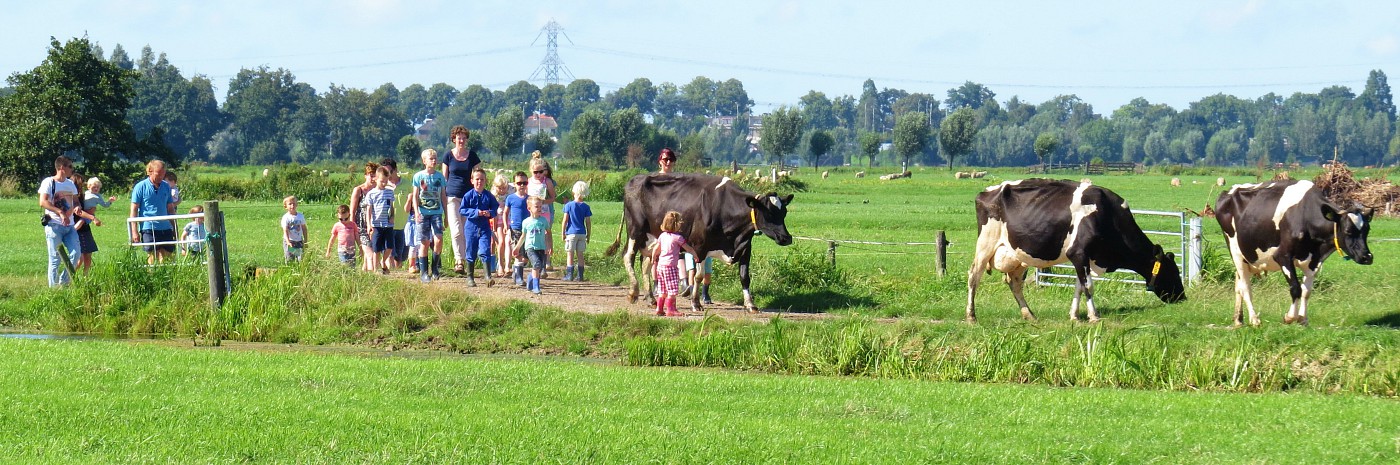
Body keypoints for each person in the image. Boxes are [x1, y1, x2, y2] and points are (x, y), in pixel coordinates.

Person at [40, 156, 90, 286]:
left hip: (70, 227)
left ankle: (63, 283)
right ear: (62, 167)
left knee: (76, 254)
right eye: (70, 166)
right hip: (54, 225)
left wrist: (78, 206)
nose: (72, 170)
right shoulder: (49, 182)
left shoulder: (70, 184)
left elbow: (76, 200)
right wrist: (60, 212)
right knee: (55, 258)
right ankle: (53, 290)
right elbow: (43, 202)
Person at [440, 125, 481, 275]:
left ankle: (467, 261)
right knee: (456, 230)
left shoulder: (473, 156)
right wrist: (442, 197)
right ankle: (459, 260)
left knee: (466, 230)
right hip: (452, 197)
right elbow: (444, 179)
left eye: (464, 138)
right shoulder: (448, 156)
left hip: (469, 198)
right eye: (459, 138)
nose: (461, 140)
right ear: (454, 139)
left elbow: (479, 177)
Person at [651, 211, 699, 317]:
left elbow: (655, 249)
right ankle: (671, 310)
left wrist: (654, 258)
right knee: (672, 289)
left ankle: (659, 308)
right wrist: (695, 255)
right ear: (676, 225)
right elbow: (688, 248)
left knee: (662, 289)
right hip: (670, 267)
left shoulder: (662, 236)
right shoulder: (678, 238)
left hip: (660, 266)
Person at [130, 159, 177, 265]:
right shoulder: (140, 187)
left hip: (165, 226)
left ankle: (167, 278)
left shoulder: (166, 186)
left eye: (163, 174)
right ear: (150, 171)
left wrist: (174, 227)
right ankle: (152, 278)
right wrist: (134, 231)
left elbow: (170, 208)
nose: (161, 176)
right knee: (152, 255)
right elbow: (134, 209)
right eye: (158, 173)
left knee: (168, 256)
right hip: (148, 227)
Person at [412, 148, 448, 282]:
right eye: (431, 158)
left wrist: (446, 216)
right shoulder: (418, 176)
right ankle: (423, 272)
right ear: (424, 161)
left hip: (437, 212)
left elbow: (443, 196)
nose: (434, 160)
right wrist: (416, 212)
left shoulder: (440, 177)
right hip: (423, 212)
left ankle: (435, 268)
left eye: (435, 158)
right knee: (424, 242)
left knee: (438, 238)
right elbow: (415, 196)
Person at [459, 167, 499, 287]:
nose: (479, 182)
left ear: (485, 181)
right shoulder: (468, 195)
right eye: (477, 179)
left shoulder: (489, 196)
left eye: (482, 179)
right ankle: (470, 277)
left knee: (485, 249)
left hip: (485, 227)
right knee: (470, 251)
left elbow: (495, 208)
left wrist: (490, 213)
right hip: (471, 227)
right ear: (472, 180)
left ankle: (487, 276)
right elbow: (462, 210)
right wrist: (476, 212)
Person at [75, 176, 117, 273]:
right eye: (94, 187)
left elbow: (105, 205)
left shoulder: (97, 197)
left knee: (82, 221)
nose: (96, 189)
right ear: (89, 186)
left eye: (98, 187)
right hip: (85, 214)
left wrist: (110, 201)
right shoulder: (84, 194)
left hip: (88, 217)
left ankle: (86, 274)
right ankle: (74, 229)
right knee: (81, 220)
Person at [513, 197, 552, 295]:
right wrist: (517, 248)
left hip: (541, 247)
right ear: (529, 208)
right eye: (536, 207)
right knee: (537, 264)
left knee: (538, 267)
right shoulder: (526, 222)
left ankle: (530, 279)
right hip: (530, 248)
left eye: (540, 206)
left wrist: (549, 246)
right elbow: (523, 236)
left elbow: (549, 233)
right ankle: (536, 287)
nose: (539, 208)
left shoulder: (543, 221)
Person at [365, 166, 397, 274]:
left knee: (390, 246)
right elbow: (369, 210)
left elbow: (392, 207)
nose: (384, 183)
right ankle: (375, 269)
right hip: (377, 224)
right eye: (382, 181)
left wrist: (393, 216)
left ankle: (383, 261)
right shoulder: (371, 194)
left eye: (386, 181)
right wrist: (369, 225)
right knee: (376, 249)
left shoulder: (390, 192)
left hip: (388, 224)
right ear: (376, 179)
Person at [349, 162, 379, 272]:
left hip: (375, 225)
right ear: (365, 175)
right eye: (370, 175)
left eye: (375, 175)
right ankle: (374, 274)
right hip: (361, 226)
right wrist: (352, 228)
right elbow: (352, 211)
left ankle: (365, 274)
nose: (373, 178)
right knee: (370, 253)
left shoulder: (378, 191)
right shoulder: (359, 190)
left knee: (370, 252)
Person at [502, 171, 531, 286]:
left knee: (526, 256)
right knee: (518, 254)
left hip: (528, 230)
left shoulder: (530, 199)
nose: (522, 185)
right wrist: (505, 225)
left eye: (524, 183)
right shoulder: (511, 198)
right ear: (515, 184)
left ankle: (516, 270)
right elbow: (505, 213)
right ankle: (519, 277)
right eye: (519, 183)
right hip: (515, 229)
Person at [560, 181, 592, 281]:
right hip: (582, 233)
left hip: (571, 233)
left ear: (573, 192)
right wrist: (588, 235)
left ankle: (569, 275)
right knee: (580, 254)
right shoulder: (586, 207)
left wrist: (563, 233)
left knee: (570, 254)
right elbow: (588, 222)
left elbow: (565, 220)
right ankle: (580, 275)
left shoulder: (569, 205)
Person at [380, 157, 407, 270]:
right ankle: (391, 273)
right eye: (384, 172)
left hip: (403, 225)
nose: (387, 174)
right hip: (387, 224)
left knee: (400, 255)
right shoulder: (383, 186)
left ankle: (399, 273)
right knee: (390, 251)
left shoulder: (407, 183)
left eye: (389, 171)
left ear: (395, 170)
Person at [490, 172, 512, 279]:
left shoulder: (511, 191)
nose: (502, 191)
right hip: (498, 220)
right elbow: (492, 211)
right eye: (500, 188)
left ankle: (507, 266)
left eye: (504, 188)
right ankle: (500, 265)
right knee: (501, 242)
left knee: (508, 241)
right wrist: (493, 227)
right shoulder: (493, 195)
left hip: (509, 219)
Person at [281, 195, 307, 263]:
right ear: (285, 206)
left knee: (300, 259)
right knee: (290, 259)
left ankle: (300, 271)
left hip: (298, 241)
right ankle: (290, 271)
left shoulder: (300, 216)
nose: (292, 205)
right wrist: (288, 241)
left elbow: (304, 228)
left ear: (297, 205)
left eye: (294, 203)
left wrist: (305, 240)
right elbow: (285, 230)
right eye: (290, 204)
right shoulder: (286, 218)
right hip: (290, 241)